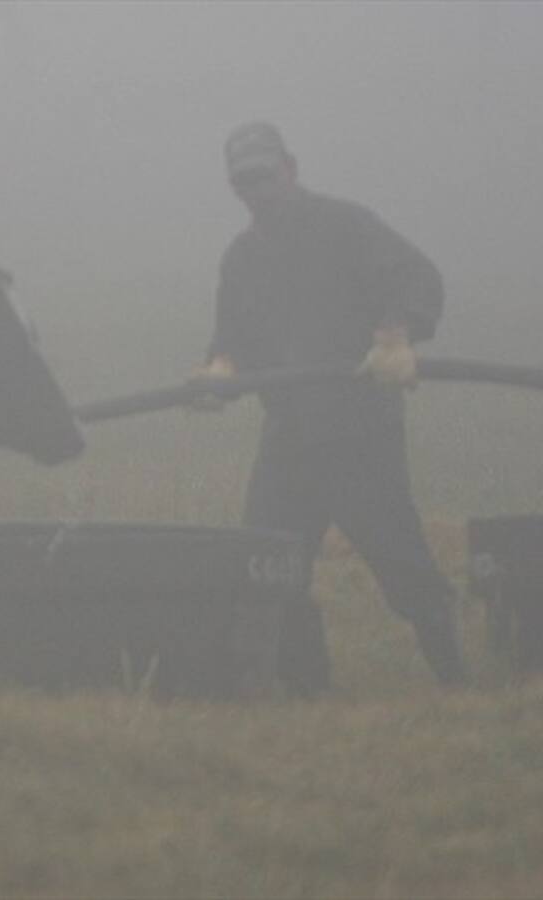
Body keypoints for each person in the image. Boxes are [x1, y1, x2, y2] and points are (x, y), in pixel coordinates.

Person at [191, 121, 466, 693]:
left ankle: (458, 683)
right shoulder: (240, 261)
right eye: (244, 182)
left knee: (404, 564)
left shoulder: (347, 226)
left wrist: (398, 333)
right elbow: (231, 342)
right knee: (267, 567)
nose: (257, 190)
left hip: (361, 432)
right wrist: (219, 371)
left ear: (290, 169)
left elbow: (418, 278)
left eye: (265, 176)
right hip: (289, 437)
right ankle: (308, 693)